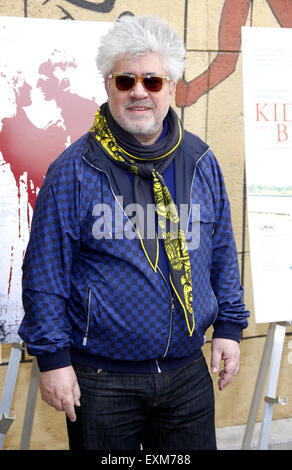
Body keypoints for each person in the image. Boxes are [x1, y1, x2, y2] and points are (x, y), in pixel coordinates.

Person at [18, 15, 249, 450]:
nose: (139, 91)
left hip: (187, 376)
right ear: (108, 86)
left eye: (153, 81)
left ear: (172, 87)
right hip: (101, 382)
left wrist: (230, 329)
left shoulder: (201, 162)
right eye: (125, 80)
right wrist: (53, 361)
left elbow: (221, 252)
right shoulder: (74, 170)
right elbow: (45, 274)